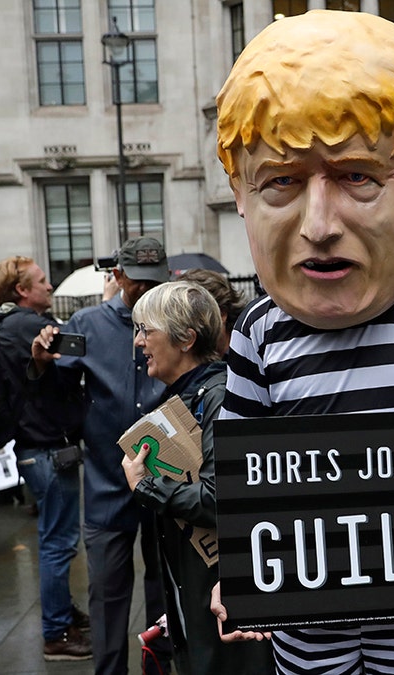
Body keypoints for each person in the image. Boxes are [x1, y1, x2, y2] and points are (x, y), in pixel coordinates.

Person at [210, 10, 394, 672]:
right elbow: (241, 474)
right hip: (304, 619)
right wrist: (237, 565)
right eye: (283, 181)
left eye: (359, 177)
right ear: (240, 192)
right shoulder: (257, 334)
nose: (319, 225)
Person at [113, 282, 274, 675]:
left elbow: (221, 500)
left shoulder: (219, 398)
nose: (138, 342)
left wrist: (146, 486)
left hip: (227, 607)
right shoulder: (188, 397)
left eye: (146, 330)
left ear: (185, 338)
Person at [31, 237, 172, 675]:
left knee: (164, 590)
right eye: (137, 282)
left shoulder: (174, 317)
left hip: (166, 480)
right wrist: (40, 364)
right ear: (118, 276)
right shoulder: (88, 325)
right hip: (109, 482)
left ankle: (159, 667)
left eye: (154, 281)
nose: (145, 291)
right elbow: (55, 396)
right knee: (108, 595)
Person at [0, 256, 91, 661]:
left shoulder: (4, 326)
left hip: (36, 448)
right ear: (22, 291)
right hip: (48, 448)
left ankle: (61, 612)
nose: (50, 286)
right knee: (58, 544)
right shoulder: (31, 328)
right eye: (42, 281)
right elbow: (70, 370)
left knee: (56, 540)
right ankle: (56, 634)